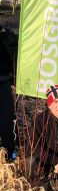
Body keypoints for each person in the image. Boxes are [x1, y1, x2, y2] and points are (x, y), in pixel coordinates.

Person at [0, 25, 17, 159]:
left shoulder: (6, 34)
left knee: (7, 123)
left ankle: (10, 157)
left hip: (4, 83)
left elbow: (16, 49)